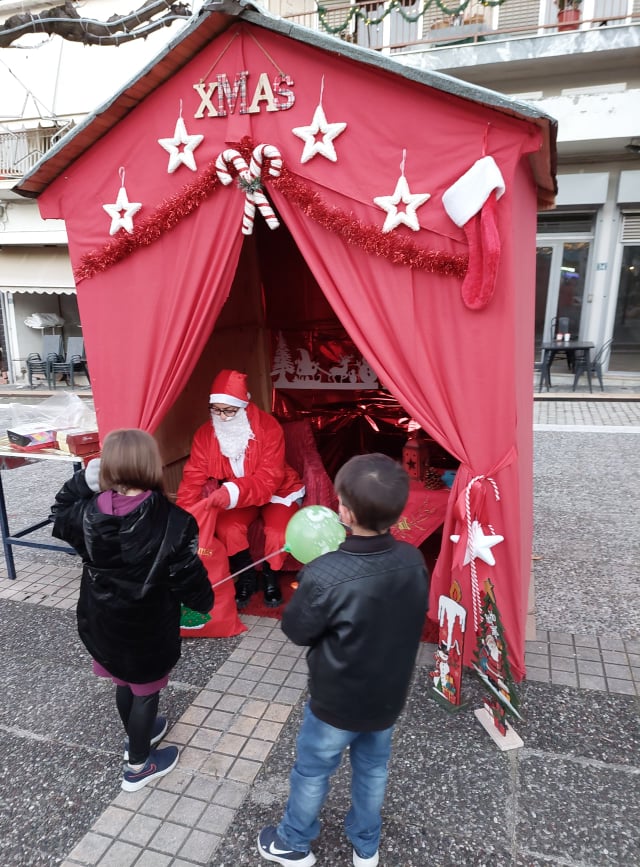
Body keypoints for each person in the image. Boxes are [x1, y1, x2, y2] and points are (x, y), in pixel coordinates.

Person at [257, 453, 430, 867]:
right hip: (387, 697)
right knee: (373, 770)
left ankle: (294, 842)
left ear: (344, 511)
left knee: (314, 771)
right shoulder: (413, 560)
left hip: (335, 700)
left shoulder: (326, 572)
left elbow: (297, 631)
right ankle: (365, 845)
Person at [51, 428, 213, 793]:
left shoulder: (85, 513)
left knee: (123, 680)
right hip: (148, 628)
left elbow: (58, 511)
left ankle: (139, 734)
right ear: (150, 464)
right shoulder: (175, 522)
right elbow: (187, 576)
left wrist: (82, 482)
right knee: (146, 691)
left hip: (102, 620)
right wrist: (204, 603)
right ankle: (138, 764)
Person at [176, 369, 305, 609]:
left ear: (244, 407)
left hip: (277, 491)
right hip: (239, 496)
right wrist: (184, 516)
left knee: (278, 533)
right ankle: (246, 575)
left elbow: (269, 479)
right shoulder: (206, 435)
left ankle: (270, 574)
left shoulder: (268, 428)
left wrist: (231, 491)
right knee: (227, 527)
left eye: (229, 411)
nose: (222, 417)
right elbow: (193, 477)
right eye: (216, 410)